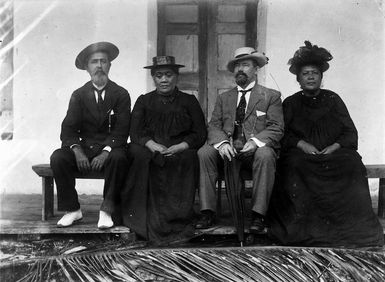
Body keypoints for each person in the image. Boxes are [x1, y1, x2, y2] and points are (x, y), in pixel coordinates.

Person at [268, 41, 384, 247]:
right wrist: (302, 145)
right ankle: (303, 229)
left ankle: (349, 229)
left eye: (314, 73)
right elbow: (282, 135)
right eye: (306, 73)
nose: (311, 76)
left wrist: (335, 147)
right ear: (298, 79)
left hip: (334, 154)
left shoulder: (333, 99)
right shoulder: (291, 103)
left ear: (321, 77)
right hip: (302, 156)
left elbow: (350, 132)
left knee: (352, 163)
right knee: (293, 165)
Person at [196, 47, 284, 234]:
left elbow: (276, 127)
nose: (240, 70)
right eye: (237, 66)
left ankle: (258, 215)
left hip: (254, 153)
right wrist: (222, 143)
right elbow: (214, 125)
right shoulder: (224, 98)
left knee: (266, 154)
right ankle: (207, 211)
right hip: (228, 150)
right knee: (204, 152)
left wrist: (256, 142)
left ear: (256, 69)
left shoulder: (271, 96)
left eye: (245, 65)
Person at [121, 56, 206, 244]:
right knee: (141, 156)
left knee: (189, 157)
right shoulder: (144, 101)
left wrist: (182, 146)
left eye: (168, 75)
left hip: (181, 150)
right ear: (153, 78)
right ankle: (147, 219)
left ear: (176, 77)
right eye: (159, 75)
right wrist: (152, 144)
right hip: (152, 150)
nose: (164, 79)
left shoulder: (189, 101)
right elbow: (135, 133)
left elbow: (200, 133)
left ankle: (179, 217)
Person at [50, 42, 131, 229]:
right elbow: (68, 129)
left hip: (110, 150)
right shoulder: (78, 95)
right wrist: (77, 150)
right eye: (94, 62)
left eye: (103, 61)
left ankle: (107, 210)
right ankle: (72, 210)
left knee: (119, 157)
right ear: (87, 68)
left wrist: (105, 152)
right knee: (58, 157)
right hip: (84, 150)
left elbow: (122, 130)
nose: (99, 66)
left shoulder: (121, 94)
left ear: (110, 65)